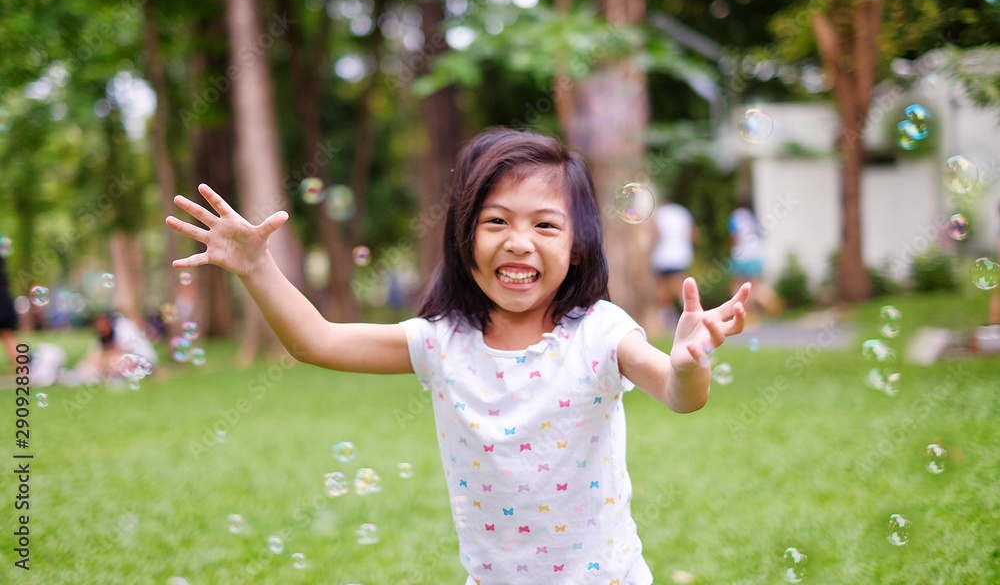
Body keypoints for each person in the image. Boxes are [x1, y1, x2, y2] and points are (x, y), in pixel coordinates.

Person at [166, 128, 750, 584]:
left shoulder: (598, 333)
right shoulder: (441, 343)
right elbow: (316, 341)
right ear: (464, 237)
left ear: (578, 250)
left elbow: (679, 398)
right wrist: (256, 267)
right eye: (496, 220)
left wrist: (685, 364)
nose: (519, 240)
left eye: (546, 225)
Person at [649, 196, 697, 331]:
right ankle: (690, 311)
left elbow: (656, 233)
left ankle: (668, 316)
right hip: (680, 255)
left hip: (662, 256)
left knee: (663, 287)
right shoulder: (683, 212)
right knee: (680, 285)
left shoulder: (659, 214)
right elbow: (693, 234)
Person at [728, 199, 780, 317]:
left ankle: (746, 312)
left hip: (742, 255)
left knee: (739, 285)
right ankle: (770, 300)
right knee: (756, 285)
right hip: (757, 255)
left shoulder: (736, 216)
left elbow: (734, 236)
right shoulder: (752, 217)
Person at [0, 254, 22, 370]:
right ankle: (25, 372)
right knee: (8, 337)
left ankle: (25, 372)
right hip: (4, 299)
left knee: (8, 336)